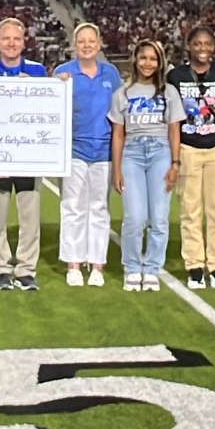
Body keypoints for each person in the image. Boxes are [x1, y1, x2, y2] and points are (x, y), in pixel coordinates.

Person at [0, 18, 49, 291]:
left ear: (24, 41)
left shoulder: (37, 71)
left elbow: (48, 111)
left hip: (29, 154)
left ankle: (26, 268)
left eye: (16, 39)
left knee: (30, 215)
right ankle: (2, 268)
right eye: (6, 38)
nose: (11, 43)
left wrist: (35, 90)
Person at [110, 40, 186, 292]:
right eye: (143, 58)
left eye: (153, 59)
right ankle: (132, 266)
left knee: (159, 217)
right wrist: (117, 168)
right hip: (132, 152)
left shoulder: (169, 92)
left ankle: (152, 267)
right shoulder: (123, 92)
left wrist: (175, 163)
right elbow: (118, 134)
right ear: (135, 60)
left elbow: (174, 130)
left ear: (160, 62)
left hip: (160, 152)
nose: (147, 63)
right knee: (134, 216)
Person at [55, 23, 122, 287]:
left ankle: (97, 264)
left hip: (104, 151)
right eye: (81, 41)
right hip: (74, 150)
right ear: (74, 45)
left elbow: (119, 113)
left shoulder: (111, 73)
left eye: (91, 41)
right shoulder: (63, 72)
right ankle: (73, 264)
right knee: (72, 208)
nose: (86, 45)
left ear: (99, 44)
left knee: (99, 208)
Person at [168, 25, 215, 290]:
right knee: (190, 210)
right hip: (188, 147)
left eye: (208, 44)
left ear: (214, 48)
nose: (203, 49)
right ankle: (194, 265)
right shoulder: (176, 76)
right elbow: (171, 115)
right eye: (198, 44)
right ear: (189, 47)